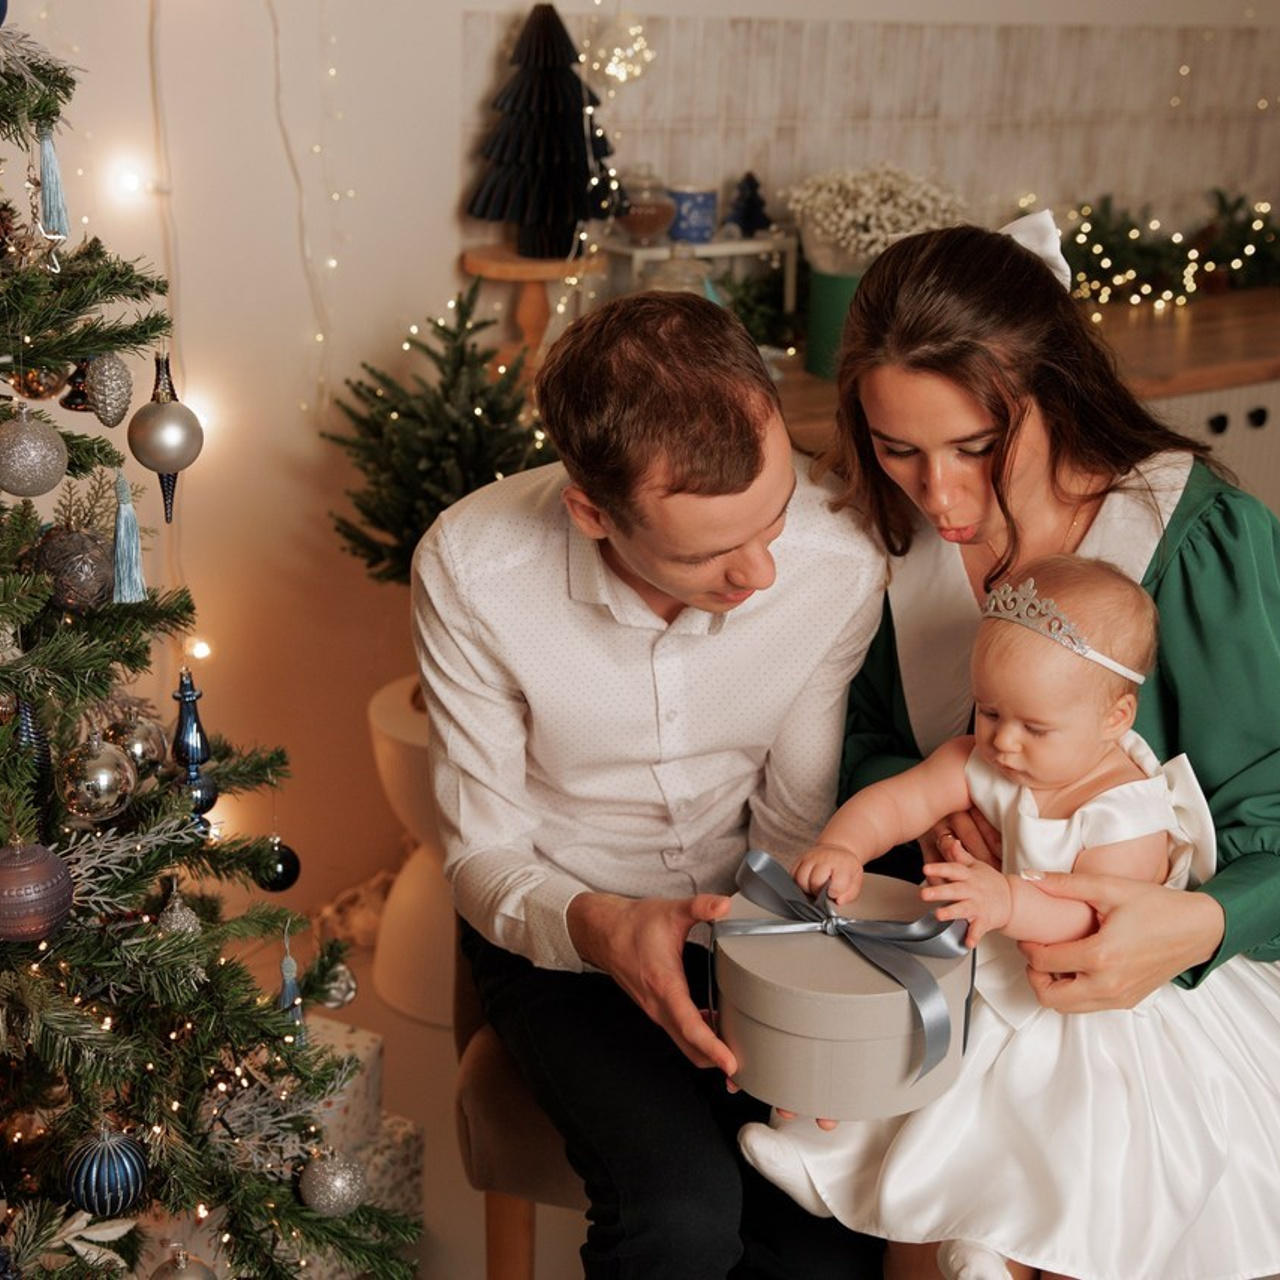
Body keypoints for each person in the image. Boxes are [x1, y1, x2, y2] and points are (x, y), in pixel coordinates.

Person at [413, 291, 887, 1278]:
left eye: (773, 515)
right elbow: (482, 854)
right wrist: (599, 923)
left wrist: (791, 988)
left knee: (819, 1237)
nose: (759, 570)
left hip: (757, 916)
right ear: (590, 510)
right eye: (707, 552)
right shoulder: (472, 566)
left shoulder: (836, 563)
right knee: (679, 1214)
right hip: (559, 923)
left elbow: (792, 819)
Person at [739, 553, 1280, 1280]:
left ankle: (997, 1245)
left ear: (1114, 718)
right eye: (989, 711)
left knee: (1050, 1120)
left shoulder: (1130, 809)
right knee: (930, 1074)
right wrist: (844, 844)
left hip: (1094, 1000)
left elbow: (1096, 920)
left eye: (1034, 726)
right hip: (993, 956)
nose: (1004, 741)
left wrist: (1010, 900)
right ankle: (830, 1159)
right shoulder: (987, 757)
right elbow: (902, 801)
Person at [825, 210, 1280, 1014]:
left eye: (977, 446)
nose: (938, 495)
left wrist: (1200, 924)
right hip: (953, 963)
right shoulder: (883, 540)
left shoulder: (1199, 542)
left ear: (1056, 386)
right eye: (898, 449)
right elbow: (861, 745)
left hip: (1163, 997)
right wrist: (930, 811)